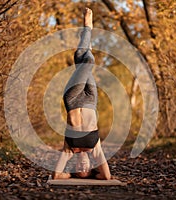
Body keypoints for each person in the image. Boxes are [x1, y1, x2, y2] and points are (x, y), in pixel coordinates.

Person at [53, 8, 111, 180]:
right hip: (91, 100)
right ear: (92, 167)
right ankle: (87, 43)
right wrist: (93, 176)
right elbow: (106, 177)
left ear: (74, 167)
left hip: (72, 99)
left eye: (79, 169)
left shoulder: (69, 149)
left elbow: (56, 175)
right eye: (86, 168)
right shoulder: (95, 149)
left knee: (87, 62)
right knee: (82, 58)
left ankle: (87, 28)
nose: (82, 166)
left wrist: (70, 176)